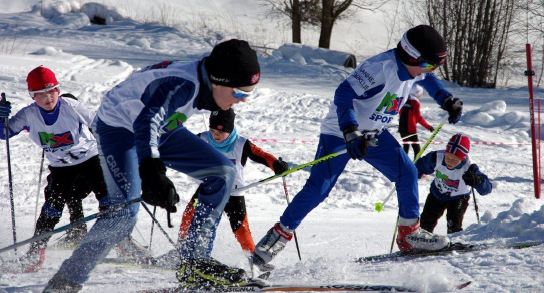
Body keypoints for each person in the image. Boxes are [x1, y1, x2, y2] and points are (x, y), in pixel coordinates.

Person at [43, 39, 261, 292]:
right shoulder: (182, 84)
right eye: (240, 92)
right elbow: (146, 122)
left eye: (250, 93)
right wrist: (152, 171)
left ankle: (194, 262)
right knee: (123, 214)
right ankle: (65, 282)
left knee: (223, 172)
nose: (243, 100)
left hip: (162, 128)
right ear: (219, 80)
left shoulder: (204, 81)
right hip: (119, 128)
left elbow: (154, 122)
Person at [250, 25, 464, 268]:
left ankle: (409, 234)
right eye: (428, 65)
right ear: (410, 56)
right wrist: (350, 131)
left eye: (435, 66)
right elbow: (343, 93)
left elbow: (430, 79)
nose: (430, 71)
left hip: (374, 135)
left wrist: (445, 99)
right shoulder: (380, 69)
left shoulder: (416, 70)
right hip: (340, 132)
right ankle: (278, 235)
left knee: (408, 172)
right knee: (319, 188)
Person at [0, 66, 107, 273]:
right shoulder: (29, 115)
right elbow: (5, 133)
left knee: (109, 201)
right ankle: (35, 254)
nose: (47, 98)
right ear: (32, 96)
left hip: (90, 159)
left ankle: (121, 241)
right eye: (40, 94)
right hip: (60, 168)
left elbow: (99, 124)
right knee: (51, 209)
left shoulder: (71, 106)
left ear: (58, 91)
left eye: (51, 92)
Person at [175, 108, 288, 269]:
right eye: (213, 130)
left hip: (233, 193)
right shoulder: (203, 138)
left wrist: (276, 164)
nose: (216, 135)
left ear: (230, 129)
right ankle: (181, 250)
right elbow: (180, 147)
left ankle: (254, 261)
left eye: (220, 131)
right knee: (189, 215)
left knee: (241, 229)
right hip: (209, 190)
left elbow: (262, 155)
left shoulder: (241, 143)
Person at [415, 134, 492, 234]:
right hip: (437, 193)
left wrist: (478, 181)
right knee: (425, 222)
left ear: (463, 158)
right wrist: (408, 176)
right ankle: (421, 243)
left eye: (455, 159)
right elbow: (417, 168)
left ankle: (454, 244)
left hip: (458, 198)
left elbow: (487, 189)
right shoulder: (436, 157)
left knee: (454, 226)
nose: (450, 162)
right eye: (448, 157)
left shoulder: (469, 167)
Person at [398, 84, 434, 160]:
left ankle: (402, 163)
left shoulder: (404, 98)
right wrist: (428, 127)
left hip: (402, 127)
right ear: (417, 93)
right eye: (421, 93)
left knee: (406, 147)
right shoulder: (415, 102)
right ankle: (417, 164)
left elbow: (400, 112)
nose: (421, 95)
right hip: (410, 129)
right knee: (417, 149)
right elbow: (418, 117)